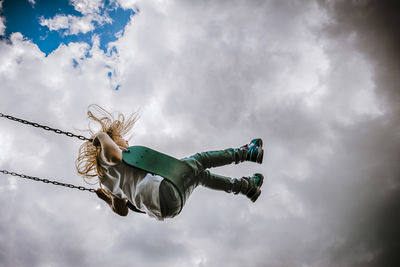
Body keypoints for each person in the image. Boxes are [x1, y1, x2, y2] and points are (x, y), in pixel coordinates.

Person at [76, 105, 265, 221]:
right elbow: (114, 156)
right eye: (123, 140)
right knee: (200, 160)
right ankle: (247, 153)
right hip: (162, 190)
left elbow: (122, 210)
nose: (127, 143)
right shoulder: (107, 156)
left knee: (200, 176)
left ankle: (246, 187)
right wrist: (101, 136)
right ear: (112, 141)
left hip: (167, 208)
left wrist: (108, 199)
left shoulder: (110, 184)